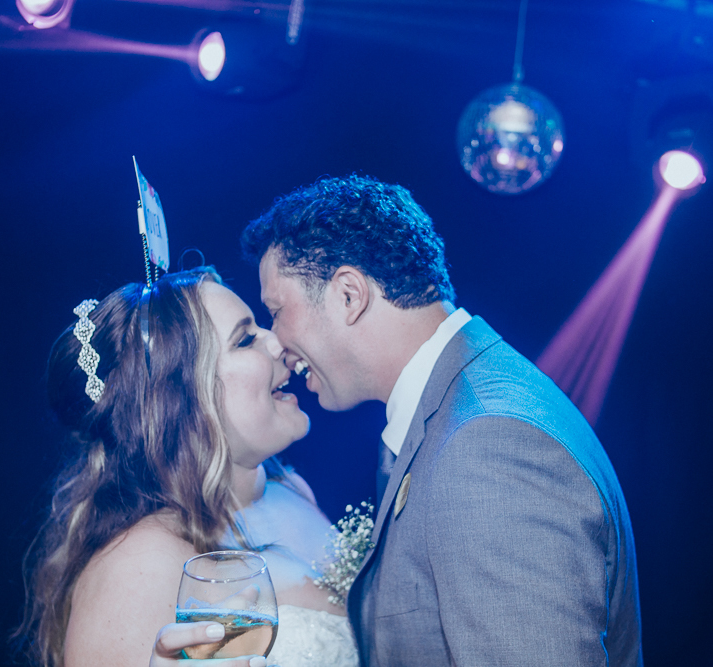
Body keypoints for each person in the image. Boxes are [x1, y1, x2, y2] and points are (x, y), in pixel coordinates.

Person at [239, 175, 644, 666]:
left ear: (348, 294)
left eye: (276, 311)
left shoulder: (487, 444)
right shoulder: (460, 415)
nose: (275, 341)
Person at [16, 267, 359, 667]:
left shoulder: (290, 488)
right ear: (183, 402)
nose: (277, 341)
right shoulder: (136, 566)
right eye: (245, 340)